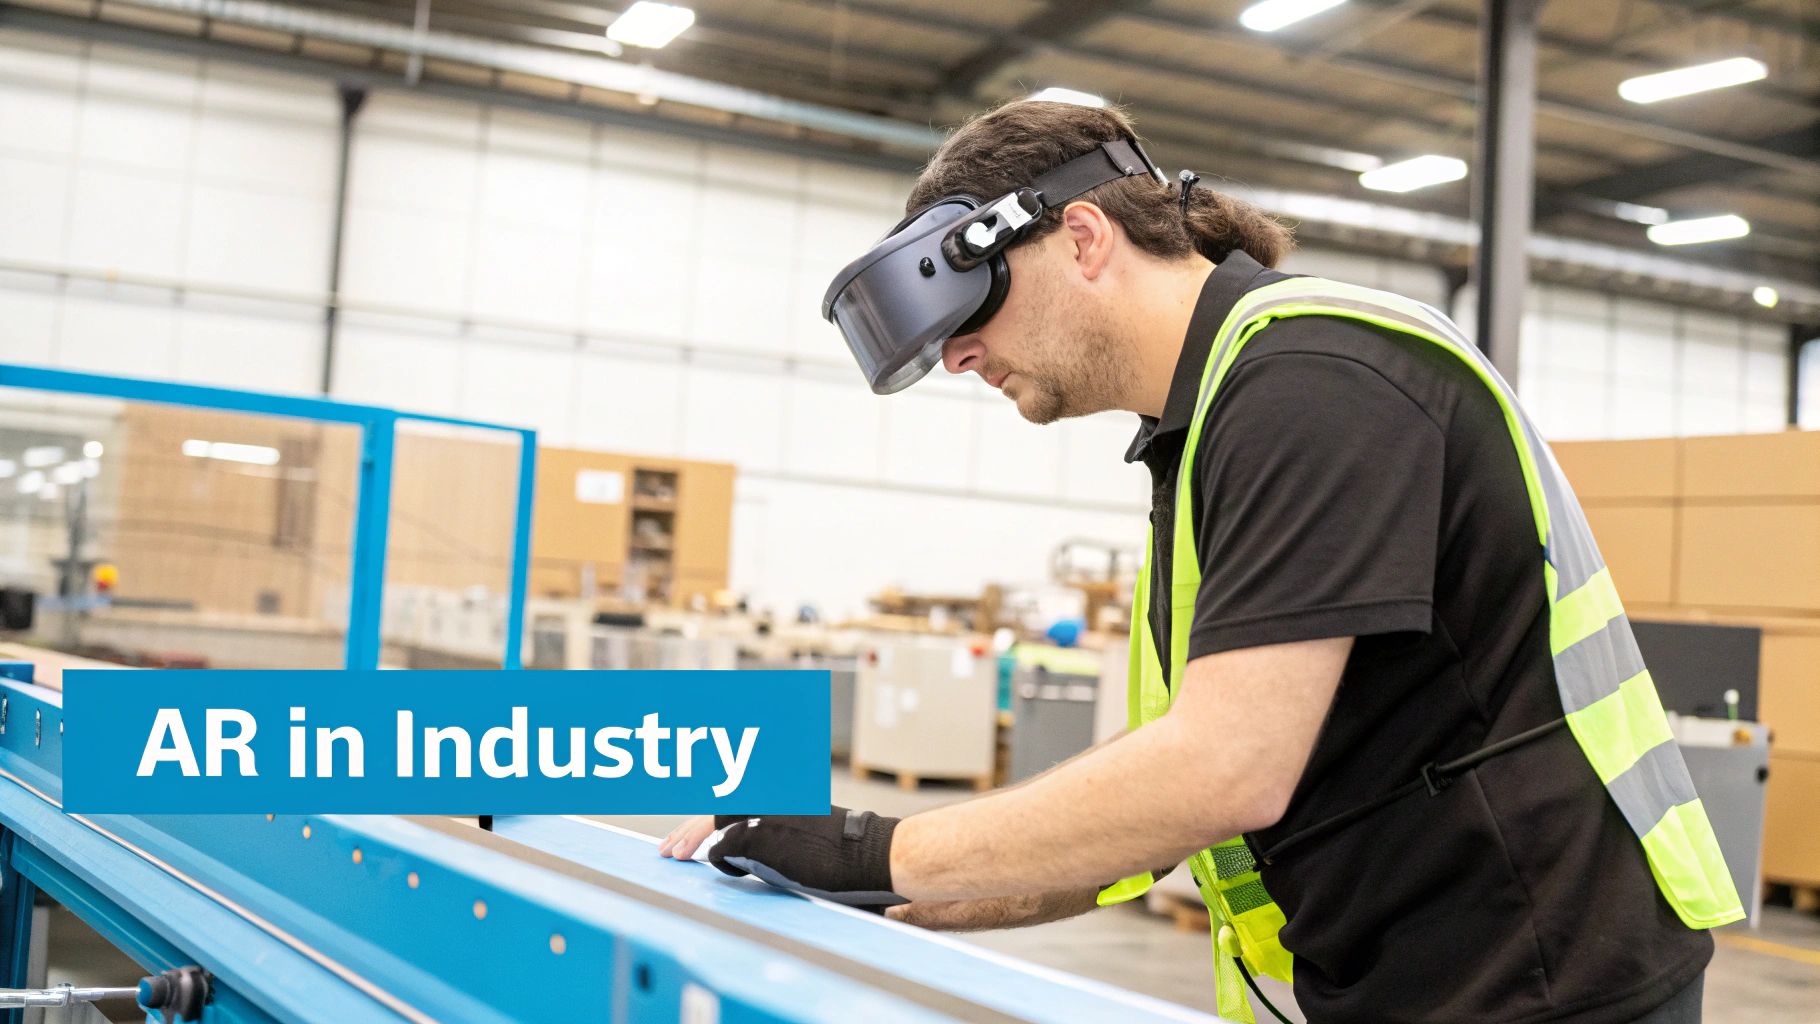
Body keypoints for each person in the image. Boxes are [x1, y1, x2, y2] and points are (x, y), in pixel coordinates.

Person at [658, 101, 1740, 1024]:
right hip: (1431, 977)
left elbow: (1226, 766)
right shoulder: (1211, 418)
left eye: (967, 303)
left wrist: (869, 847)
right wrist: (868, 879)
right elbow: (1151, 813)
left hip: (1540, 983)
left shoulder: (1314, 382)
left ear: (1085, 238)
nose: (955, 354)